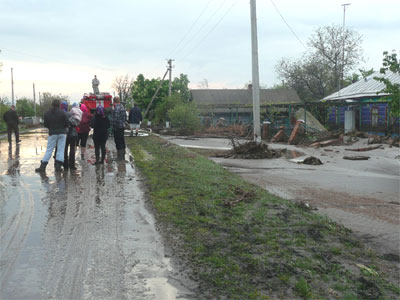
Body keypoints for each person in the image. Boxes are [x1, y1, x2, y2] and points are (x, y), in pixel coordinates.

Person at [35, 99, 68, 172]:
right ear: (59, 105)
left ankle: (43, 166)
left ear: (52, 104)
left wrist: (51, 127)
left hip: (52, 133)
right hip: (62, 133)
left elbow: (45, 124)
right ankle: (58, 167)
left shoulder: (47, 113)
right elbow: (67, 123)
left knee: (49, 150)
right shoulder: (63, 113)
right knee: (60, 149)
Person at [63, 102, 81, 170]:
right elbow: (76, 123)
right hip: (72, 134)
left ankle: (65, 164)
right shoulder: (70, 114)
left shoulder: (61, 114)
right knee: (72, 149)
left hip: (64, 134)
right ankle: (72, 165)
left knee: (64, 149)